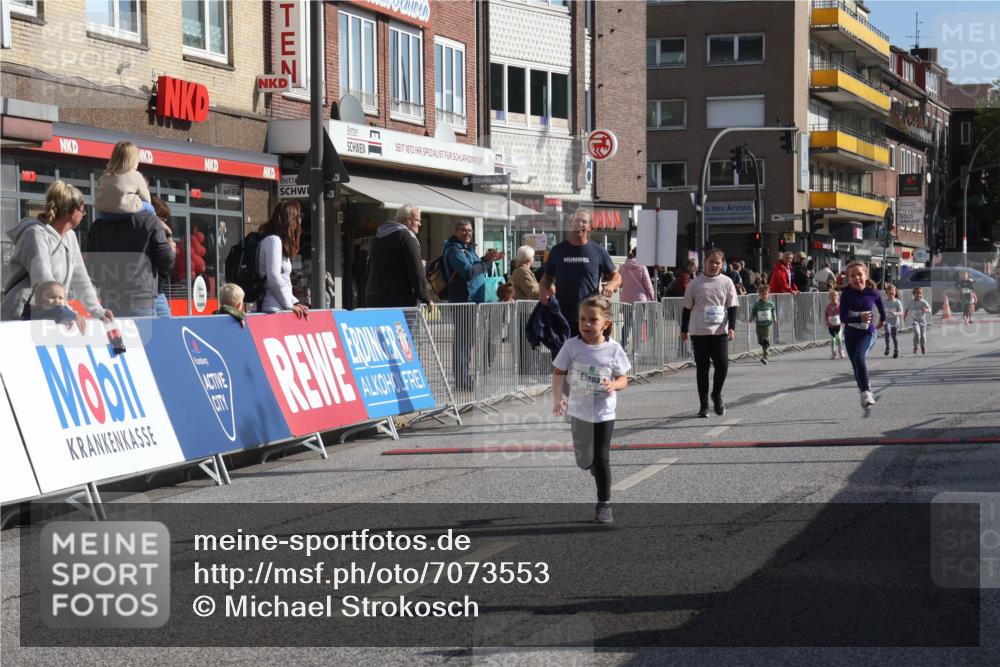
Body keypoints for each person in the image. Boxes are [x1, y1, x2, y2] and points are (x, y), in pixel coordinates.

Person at [551, 295, 630, 524]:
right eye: (582, 319)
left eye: (593, 320)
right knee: (584, 459)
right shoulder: (572, 346)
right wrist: (558, 399)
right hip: (579, 411)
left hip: (604, 412)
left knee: (602, 458)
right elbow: (558, 373)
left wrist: (614, 385)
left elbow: (624, 378)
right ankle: (594, 466)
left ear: (605, 323)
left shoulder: (613, 349)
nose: (586, 324)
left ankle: (604, 504)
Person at [1, 180, 112, 329]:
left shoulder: (70, 237)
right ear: (73, 213)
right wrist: (64, 309)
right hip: (21, 314)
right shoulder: (35, 234)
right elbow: (43, 277)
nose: (83, 215)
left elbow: (81, 280)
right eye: (83, 211)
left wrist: (99, 311)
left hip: (48, 314)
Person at [88, 183, 175, 318]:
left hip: (112, 299)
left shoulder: (98, 226)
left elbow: (93, 268)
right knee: (158, 337)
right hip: (144, 297)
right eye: (161, 219)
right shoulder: (148, 222)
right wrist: (168, 238)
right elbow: (166, 262)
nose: (163, 222)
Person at [538, 209, 621, 338]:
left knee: (588, 357)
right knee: (562, 357)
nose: (580, 224)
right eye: (577, 221)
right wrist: (543, 290)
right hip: (562, 317)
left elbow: (617, 277)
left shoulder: (598, 251)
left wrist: (610, 286)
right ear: (571, 225)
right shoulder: (557, 251)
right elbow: (546, 279)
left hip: (589, 319)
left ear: (590, 228)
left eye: (584, 221)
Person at [443, 220, 503, 391]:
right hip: (463, 303)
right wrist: (484, 260)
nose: (467, 233)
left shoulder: (468, 250)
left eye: (470, 230)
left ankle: (465, 377)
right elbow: (469, 272)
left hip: (473, 303)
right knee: (463, 343)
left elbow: (478, 268)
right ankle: (461, 380)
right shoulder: (454, 250)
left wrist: (490, 261)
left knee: (468, 342)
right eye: (463, 230)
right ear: (455, 231)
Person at [680, 249, 738, 418]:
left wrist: (732, 327)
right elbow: (686, 308)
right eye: (711, 261)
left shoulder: (727, 282)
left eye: (717, 263)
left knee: (722, 365)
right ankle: (704, 405)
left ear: (722, 265)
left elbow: (732, 306)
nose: (714, 265)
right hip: (699, 332)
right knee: (702, 369)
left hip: (719, 331)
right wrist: (684, 329)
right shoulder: (695, 283)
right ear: (705, 262)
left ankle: (717, 395)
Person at [366, 205, 432, 309]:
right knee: (406, 326)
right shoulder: (407, 237)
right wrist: (425, 297)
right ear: (406, 221)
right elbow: (416, 270)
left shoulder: (378, 236)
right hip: (399, 301)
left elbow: (370, 265)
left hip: (374, 298)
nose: (420, 224)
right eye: (417, 220)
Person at [840, 261, 885, 408]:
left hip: (867, 333)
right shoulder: (846, 294)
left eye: (859, 274)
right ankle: (863, 391)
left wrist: (882, 320)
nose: (856, 278)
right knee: (855, 365)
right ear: (849, 278)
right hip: (851, 334)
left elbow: (881, 307)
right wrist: (859, 318)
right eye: (853, 276)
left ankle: (866, 391)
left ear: (866, 275)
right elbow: (843, 318)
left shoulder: (872, 292)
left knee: (860, 358)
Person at [258, 201, 308, 318]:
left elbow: (283, 280)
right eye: (298, 216)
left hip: (279, 306)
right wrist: (289, 305)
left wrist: (294, 302)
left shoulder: (276, 241)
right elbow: (274, 277)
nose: (300, 221)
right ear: (289, 219)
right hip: (274, 308)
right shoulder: (273, 241)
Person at [94, 141, 156, 219]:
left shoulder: (104, 177)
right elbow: (147, 199)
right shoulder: (136, 175)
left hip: (105, 214)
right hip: (125, 211)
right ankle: (157, 223)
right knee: (150, 208)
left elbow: (97, 193)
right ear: (133, 160)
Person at [619, 247, 655, 349]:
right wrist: (652, 298)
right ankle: (636, 348)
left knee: (626, 323)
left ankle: (623, 346)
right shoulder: (642, 267)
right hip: (640, 300)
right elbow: (648, 285)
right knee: (638, 324)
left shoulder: (622, 267)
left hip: (626, 299)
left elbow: (620, 284)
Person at [149, 196, 177, 317]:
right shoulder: (146, 232)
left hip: (159, 293)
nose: (164, 223)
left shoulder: (163, 236)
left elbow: (170, 263)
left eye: (166, 220)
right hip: (147, 295)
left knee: (167, 329)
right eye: (162, 219)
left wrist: (169, 234)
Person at [750, 285, 776, 364]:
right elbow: (754, 312)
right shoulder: (757, 304)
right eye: (762, 294)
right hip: (759, 325)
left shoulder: (771, 304)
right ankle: (766, 351)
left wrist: (775, 318)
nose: (764, 296)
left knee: (766, 340)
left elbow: (773, 311)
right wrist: (751, 318)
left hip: (768, 325)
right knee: (760, 341)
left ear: (768, 295)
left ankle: (766, 356)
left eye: (766, 294)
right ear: (759, 295)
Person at [904, 286, 930, 355]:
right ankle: (915, 347)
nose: (919, 295)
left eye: (920, 293)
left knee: (923, 335)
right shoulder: (911, 302)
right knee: (917, 333)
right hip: (914, 320)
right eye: (917, 293)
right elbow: (906, 309)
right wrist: (905, 316)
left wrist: (926, 310)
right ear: (913, 294)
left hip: (922, 321)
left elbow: (929, 309)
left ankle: (923, 346)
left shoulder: (923, 302)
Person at [882, 283, 903, 358]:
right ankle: (887, 347)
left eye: (893, 290)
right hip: (887, 321)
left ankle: (896, 349)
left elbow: (901, 312)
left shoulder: (897, 302)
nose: (891, 292)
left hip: (895, 323)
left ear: (895, 292)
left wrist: (896, 313)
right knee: (887, 332)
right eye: (889, 290)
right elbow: (881, 311)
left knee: (894, 337)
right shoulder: (884, 302)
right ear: (886, 292)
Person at [825, 289, 846, 360]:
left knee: (839, 338)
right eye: (831, 296)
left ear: (837, 297)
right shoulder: (828, 307)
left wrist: (842, 320)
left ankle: (841, 350)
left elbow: (843, 314)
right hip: (831, 326)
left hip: (838, 325)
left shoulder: (840, 306)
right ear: (829, 298)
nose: (833, 297)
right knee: (832, 340)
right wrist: (827, 322)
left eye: (835, 296)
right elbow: (826, 315)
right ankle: (833, 353)